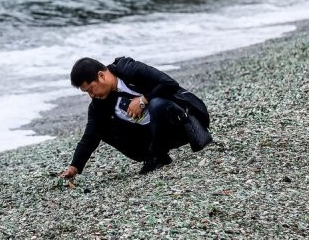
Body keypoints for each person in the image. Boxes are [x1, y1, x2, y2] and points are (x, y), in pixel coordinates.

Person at [60, 57, 212, 178]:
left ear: (101, 75)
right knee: (101, 128)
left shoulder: (129, 69)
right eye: (87, 92)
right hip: (153, 135)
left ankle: (165, 151)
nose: (92, 95)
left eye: (91, 89)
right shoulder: (98, 105)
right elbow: (90, 137)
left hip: (180, 119)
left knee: (156, 104)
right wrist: (75, 167)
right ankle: (155, 157)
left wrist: (143, 100)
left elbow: (169, 83)